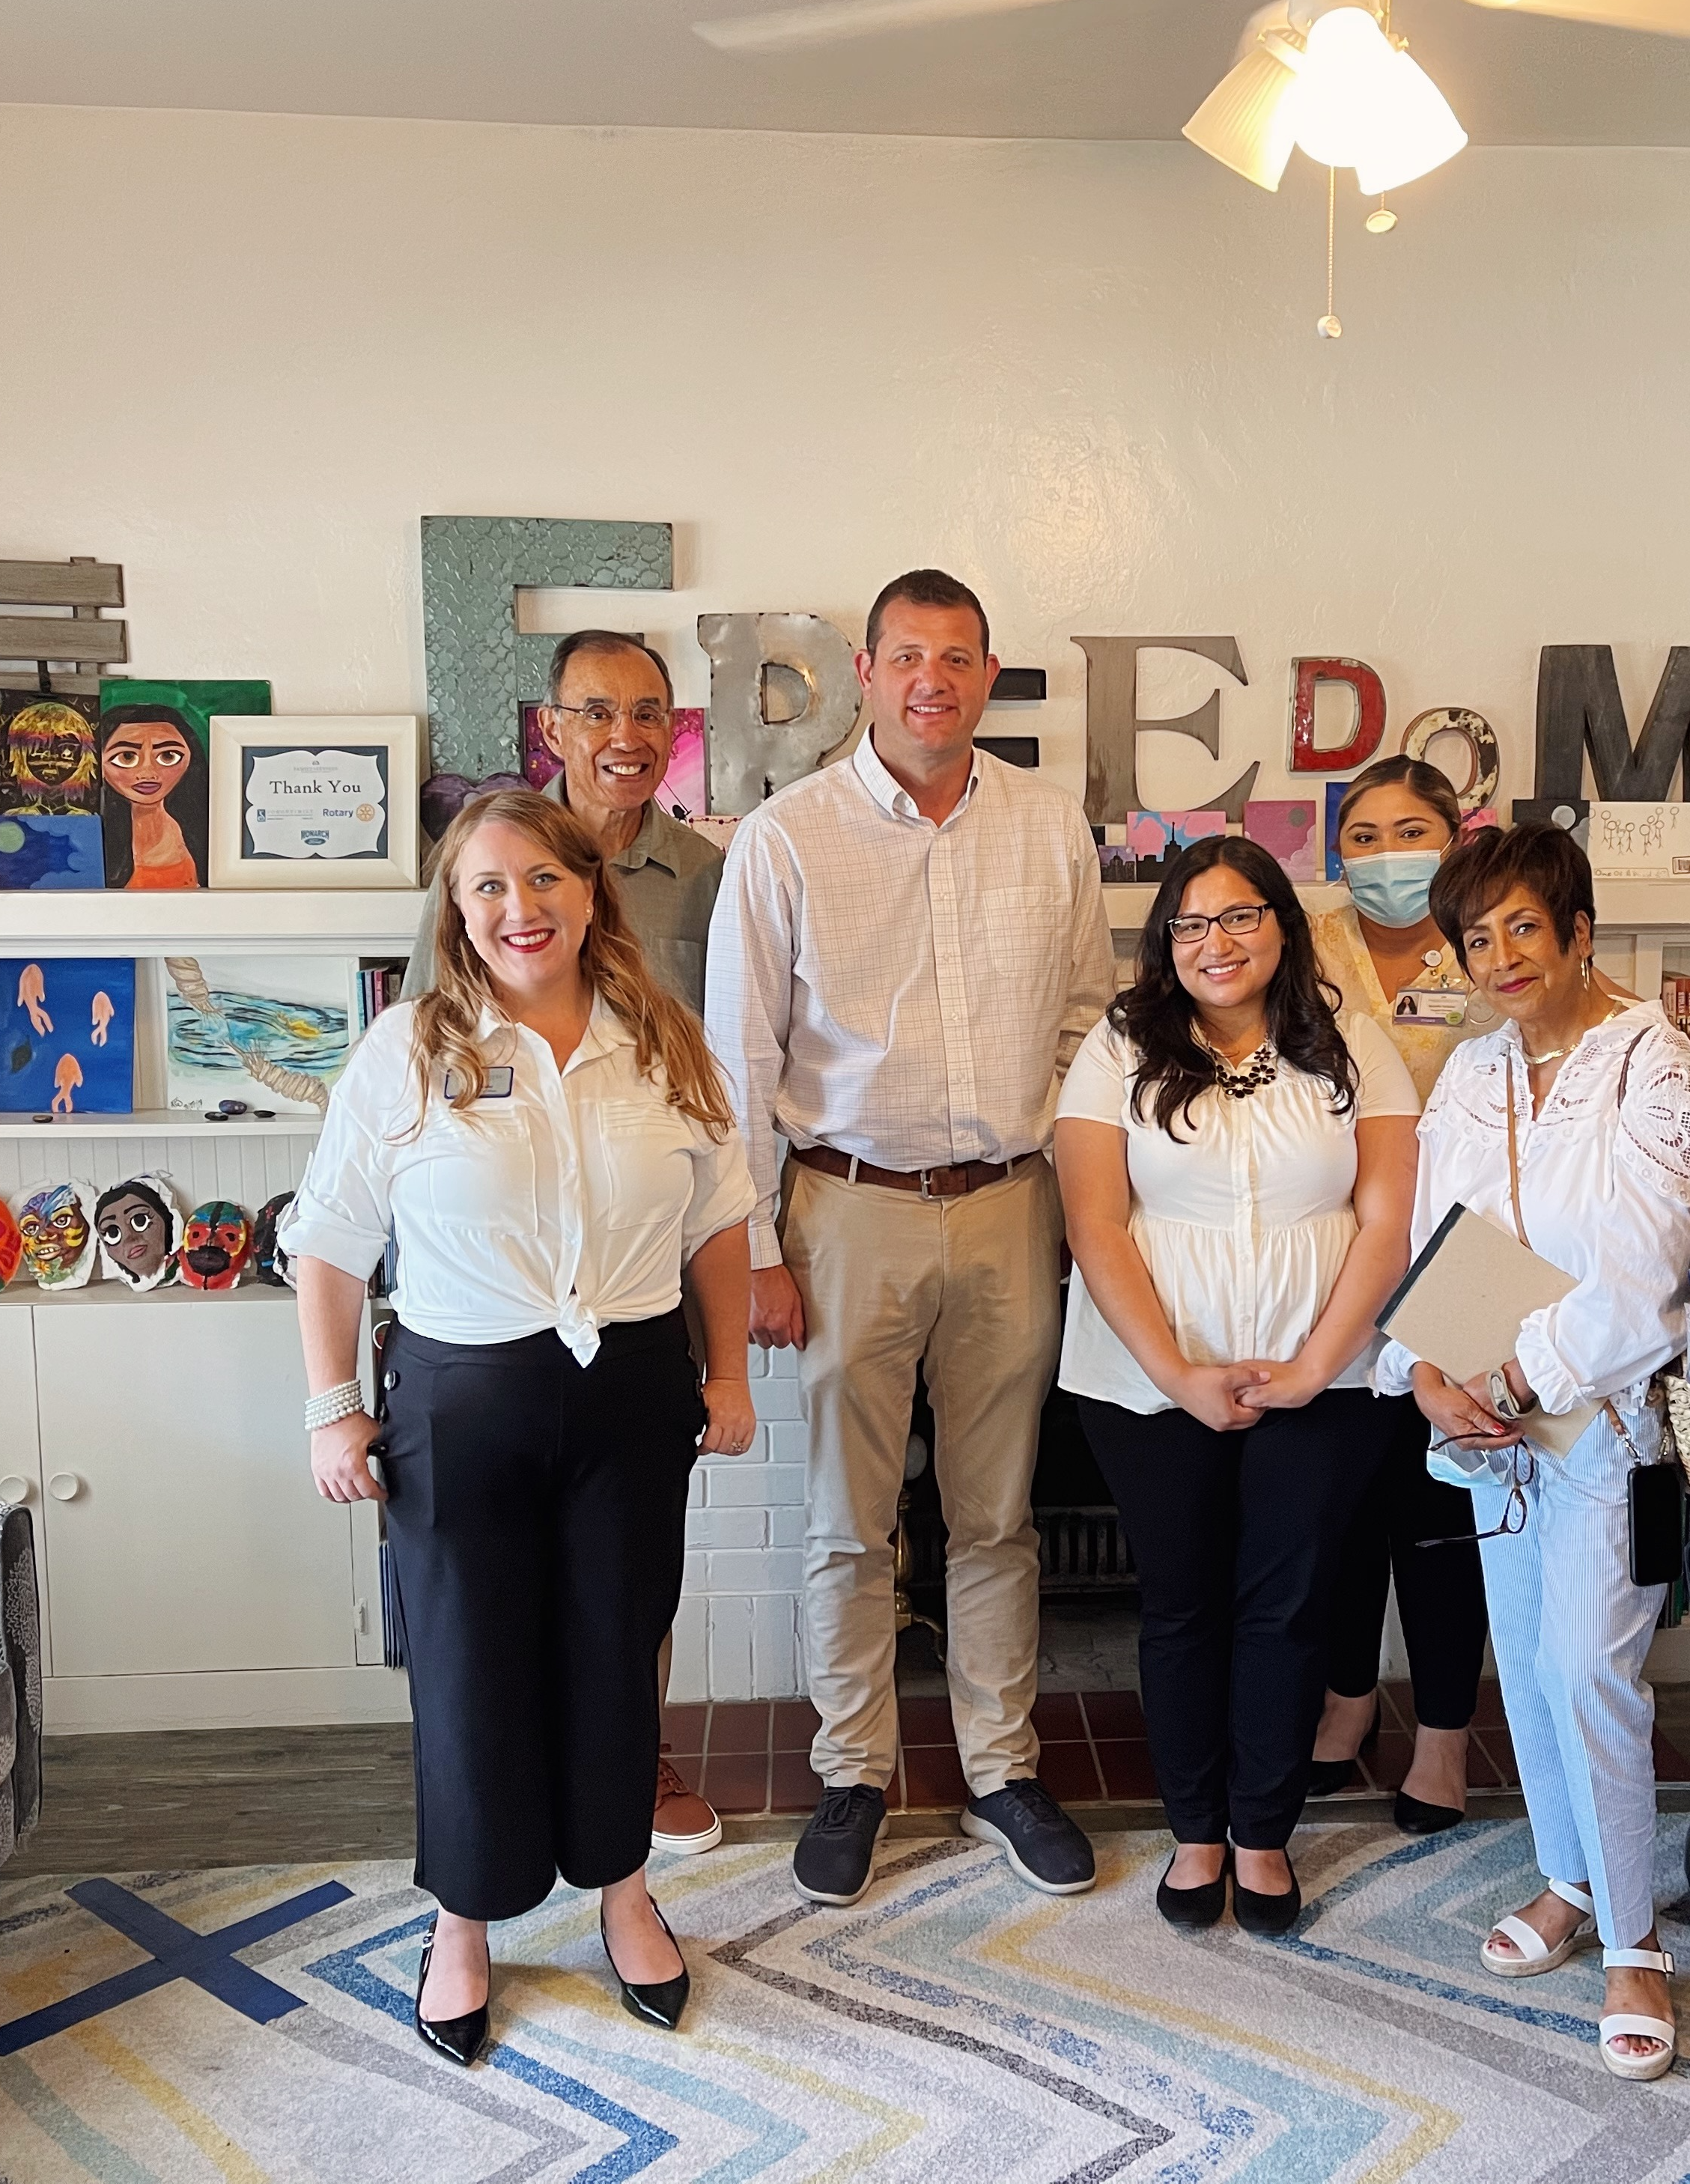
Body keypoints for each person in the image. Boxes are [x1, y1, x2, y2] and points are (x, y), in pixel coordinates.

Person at [288, 790, 756, 2065]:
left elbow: (719, 1219)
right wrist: (334, 1406)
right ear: (456, 906)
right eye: (489, 884)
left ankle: (621, 1888)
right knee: (467, 1664)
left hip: (631, 1390)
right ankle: (464, 1920)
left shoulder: (665, 1039)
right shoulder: (407, 1046)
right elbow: (327, 1242)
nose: (520, 907)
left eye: (545, 877)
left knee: (617, 1649)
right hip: (461, 1397)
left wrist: (728, 1379)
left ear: (591, 889)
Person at [708, 568, 1114, 1909]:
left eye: (956, 656)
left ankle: (1002, 1764)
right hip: (844, 1209)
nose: (931, 678)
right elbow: (739, 1059)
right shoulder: (785, 837)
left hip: (1011, 1203)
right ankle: (854, 1772)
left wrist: (1074, 1209)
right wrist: (758, 1245)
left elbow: (1080, 1030)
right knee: (849, 1519)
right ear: (867, 674)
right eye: (905, 656)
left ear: (986, 674)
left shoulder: (1051, 830)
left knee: (999, 1514)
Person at [1376, 822, 1690, 2082]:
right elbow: (1438, 1236)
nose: (1503, 953)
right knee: (1523, 1660)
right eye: (1478, 935)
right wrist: (1426, 1370)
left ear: (1578, 929)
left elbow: (1648, 1268)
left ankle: (1636, 1942)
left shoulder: (1652, 1062)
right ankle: (1568, 1878)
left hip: (1609, 1425)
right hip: (1489, 1428)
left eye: (1526, 924)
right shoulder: (1470, 1069)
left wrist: (1519, 1371)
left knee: (1591, 1668)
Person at [402, 630, 732, 1855]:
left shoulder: (705, 871)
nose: (625, 735)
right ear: (554, 724)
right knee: (486, 1582)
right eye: (598, 710)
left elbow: (718, 1064)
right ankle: (504, 1805)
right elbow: (425, 1048)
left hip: (649, 1236)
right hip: (494, 1277)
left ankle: (630, 1773)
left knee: (626, 1544)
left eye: (650, 711)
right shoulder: (494, 856)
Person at [1057, 833, 1416, 1932]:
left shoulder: (1350, 1036)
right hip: (1149, 1379)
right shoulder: (1122, 1045)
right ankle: (1194, 1834)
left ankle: (1261, 1834)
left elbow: (1387, 1219)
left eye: (1242, 917)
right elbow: (1095, 1223)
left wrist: (1316, 1366)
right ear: (1167, 942)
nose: (1218, 943)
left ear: (1282, 926)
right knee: (1180, 1609)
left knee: (1287, 1606)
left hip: (1326, 1375)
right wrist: (1178, 1372)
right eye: (1192, 924)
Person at [1304, 753, 1496, 1831]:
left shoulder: (1491, 943)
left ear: (1456, 838)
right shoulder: (1310, 948)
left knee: (1436, 1510)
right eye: (1365, 837)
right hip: (1339, 1252)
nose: (1387, 855)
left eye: (1410, 831)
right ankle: (1344, 1703)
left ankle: (1441, 1739)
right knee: (1338, 1503)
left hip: (1468, 1259)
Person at [98, 700, 206, 889]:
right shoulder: (94, 837)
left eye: (168, 756)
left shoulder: (203, 831)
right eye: (127, 757)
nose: (148, 773)